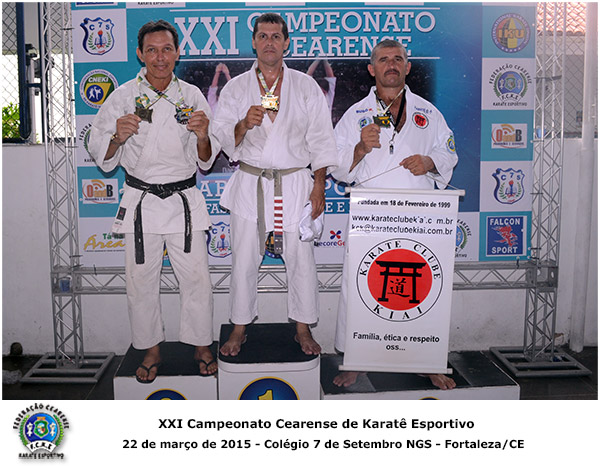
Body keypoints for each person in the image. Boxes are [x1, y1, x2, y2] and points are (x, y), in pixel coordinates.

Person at [88, 20, 220, 382]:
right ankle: (150, 349)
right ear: (140, 54)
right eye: (152, 50)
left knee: (197, 279)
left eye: (166, 49)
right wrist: (116, 137)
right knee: (141, 281)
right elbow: (101, 152)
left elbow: (205, 158)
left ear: (177, 53)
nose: (160, 58)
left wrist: (203, 135)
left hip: (183, 200)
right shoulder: (123, 96)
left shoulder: (191, 95)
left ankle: (201, 344)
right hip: (142, 201)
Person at [331, 39, 458, 390]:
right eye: (384, 60)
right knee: (364, 287)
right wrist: (360, 147)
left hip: (419, 217)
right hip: (371, 217)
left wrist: (429, 162)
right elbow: (335, 165)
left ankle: (427, 361)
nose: (391, 65)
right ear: (371, 69)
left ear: (408, 67)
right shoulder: (355, 115)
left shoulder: (429, 114)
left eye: (398, 59)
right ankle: (357, 359)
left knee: (420, 287)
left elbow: (449, 153)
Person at [213, 13, 338, 357]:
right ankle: (239, 327)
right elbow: (221, 136)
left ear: (286, 43)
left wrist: (318, 186)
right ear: (254, 42)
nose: (269, 42)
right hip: (251, 182)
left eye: (276, 36)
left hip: (295, 181)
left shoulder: (305, 85)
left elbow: (321, 138)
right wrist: (243, 124)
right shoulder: (236, 88)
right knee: (243, 259)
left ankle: (303, 327)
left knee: (301, 259)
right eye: (263, 36)